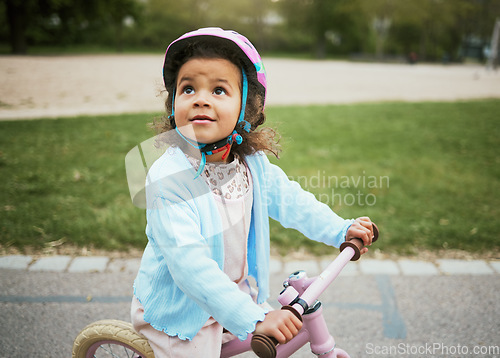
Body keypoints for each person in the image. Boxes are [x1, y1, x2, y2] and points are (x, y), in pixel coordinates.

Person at [131, 27, 375, 357]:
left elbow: (293, 201)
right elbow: (190, 267)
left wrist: (340, 229)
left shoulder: (251, 165)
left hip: (237, 298)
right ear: (174, 103)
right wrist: (255, 318)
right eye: (188, 88)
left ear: (246, 108)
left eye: (219, 90)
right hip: (186, 314)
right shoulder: (168, 181)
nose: (201, 98)